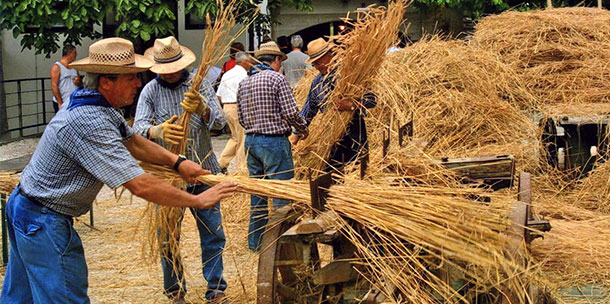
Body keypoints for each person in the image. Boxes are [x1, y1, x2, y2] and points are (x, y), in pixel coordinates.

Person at [0, 37, 238, 304]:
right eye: (131, 78)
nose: (138, 83)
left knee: (20, 298)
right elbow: (140, 185)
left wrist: (178, 162)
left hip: (28, 209)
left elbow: (135, 142)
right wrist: (197, 200)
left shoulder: (98, 105)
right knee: (65, 296)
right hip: (42, 218)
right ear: (106, 82)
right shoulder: (90, 122)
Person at [134, 36, 229, 304]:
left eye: (174, 67)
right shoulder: (150, 91)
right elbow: (137, 130)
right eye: (164, 69)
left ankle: (216, 289)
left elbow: (221, 123)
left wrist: (204, 109)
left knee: (213, 234)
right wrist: (156, 130)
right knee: (167, 239)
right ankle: (175, 291)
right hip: (168, 177)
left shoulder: (198, 86)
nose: (170, 73)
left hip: (202, 172)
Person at [236, 41, 308, 251]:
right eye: (280, 61)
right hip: (273, 142)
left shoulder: (245, 82)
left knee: (257, 193)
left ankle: (256, 243)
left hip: (251, 142)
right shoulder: (276, 78)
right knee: (281, 194)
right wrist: (302, 129)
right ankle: (282, 245)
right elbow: (290, 113)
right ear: (276, 60)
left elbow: (241, 118)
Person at [290, 38, 377, 173]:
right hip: (331, 137)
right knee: (333, 173)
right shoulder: (318, 82)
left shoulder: (351, 75)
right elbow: (308, 110)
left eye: (319, 62)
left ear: (330, 55)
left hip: (355, 133)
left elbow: (371, 100)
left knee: (357, 172)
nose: (317, 66)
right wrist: (295, 135)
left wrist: (350, 105)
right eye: (314, 64)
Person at [216, 51, 253, 172]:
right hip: (238, 107)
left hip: (227, 107)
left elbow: (219, 96)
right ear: (245, 62)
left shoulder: (227, 74)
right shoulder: (243, 75)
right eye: (250, 61)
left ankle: (221, 163)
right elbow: (246, 95)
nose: (252, 64)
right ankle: (241, 169)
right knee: (242, 138)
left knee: (235, 138)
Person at [50, 43, 80, 112]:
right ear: (70, 53)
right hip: (63, 101)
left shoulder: (74, 66)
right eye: (75, 52)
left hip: (73, 101)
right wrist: (60, 103)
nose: (76, 55)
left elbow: (80, 82)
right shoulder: (57, 67)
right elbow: (54, 86)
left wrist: (78, 82)